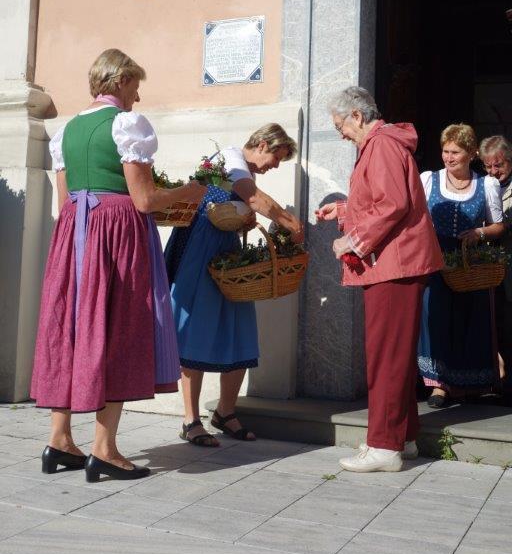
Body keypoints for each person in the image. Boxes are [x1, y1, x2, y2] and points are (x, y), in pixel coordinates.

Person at [30, 49, 205, 482]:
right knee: (118, 329)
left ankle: (59, 440)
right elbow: (144, 199)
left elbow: (65, 202)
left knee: (71, 329)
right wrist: (189, 192)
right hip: (116, 237)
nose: (137, 97)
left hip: (72, 237)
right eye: (135, 86)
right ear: (121, 80)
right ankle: (104, 449)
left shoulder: (67, 131)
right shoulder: (126, 124)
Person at [316, 86, 443, 473]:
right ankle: (403, 438)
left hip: (395, 264)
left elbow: (393, 204)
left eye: (340, 125)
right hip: (395, 263)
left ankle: (384, 447)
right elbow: (383, 199)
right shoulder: (381, 144)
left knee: (385, 356)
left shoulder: (382, 144)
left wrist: (351, 241)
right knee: (394, 354)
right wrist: (344, 209)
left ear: (357, 116)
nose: (340, 134)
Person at [164, 124, 304, 446]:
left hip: (224, 249)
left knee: (239, 328)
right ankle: (190, 420)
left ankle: (225, 412)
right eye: (277, 157)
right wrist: (290, 223)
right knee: (194, 329)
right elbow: (254, 198)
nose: (276, 166)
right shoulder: (231, 159)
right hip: (198, 249)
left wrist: (244, 219)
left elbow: (241, 204)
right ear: (263, 144)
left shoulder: (245, 171)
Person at [418, 124, 505, 407]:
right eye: (445, 151)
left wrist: (479, 232)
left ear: (471, 153)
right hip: (437, 261)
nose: (448, 157)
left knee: (469, 320)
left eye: (455, 152)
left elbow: (498, 226)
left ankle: (468, 384)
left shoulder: (487, 184)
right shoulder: (428, 179)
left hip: (471, 265)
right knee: (436, 318)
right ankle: (438, 387)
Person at [479, 135, 512, 386]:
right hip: (490, 267)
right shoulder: (482, 185)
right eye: (488, 166)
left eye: (498, 165)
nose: (493, 171)